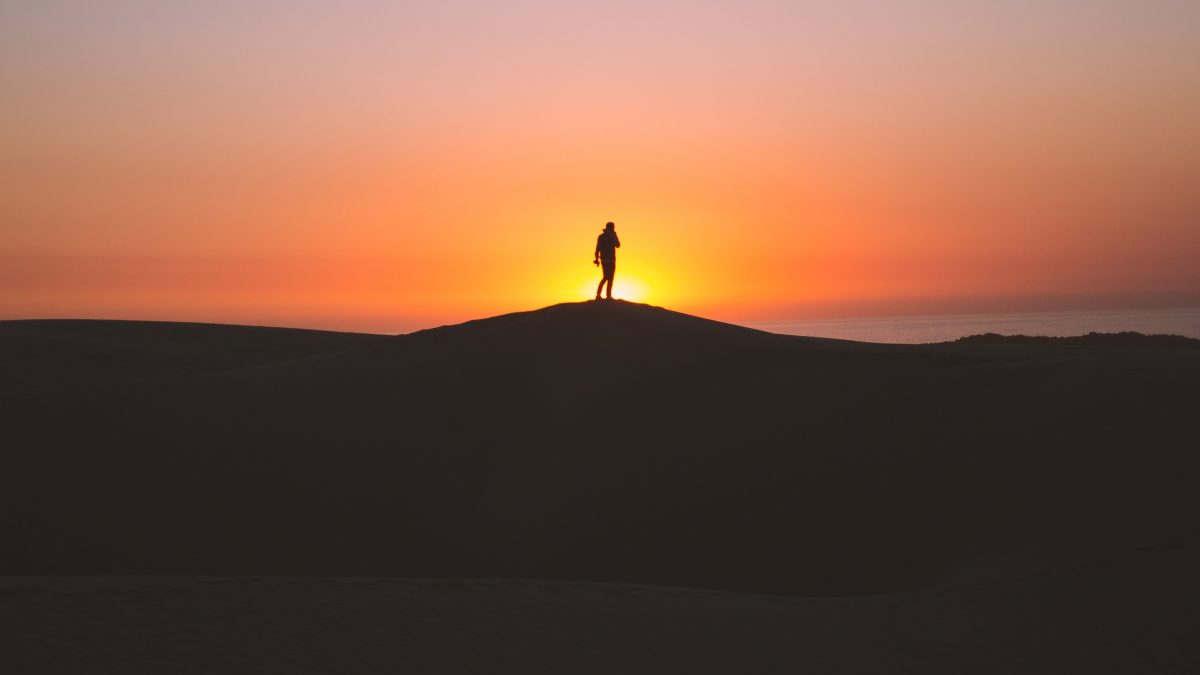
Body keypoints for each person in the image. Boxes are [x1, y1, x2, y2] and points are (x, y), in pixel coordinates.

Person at [593, 222, 620, 300]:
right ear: (608, 228)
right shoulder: (602, 237)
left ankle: (608, 296)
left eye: (613, 227)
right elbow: (597, 248)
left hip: (611, 260)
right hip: (605, 260)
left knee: (610, 278)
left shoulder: (612, 236)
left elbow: (618, 245)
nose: (613, 228)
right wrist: (597, 259)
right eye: (612, 227)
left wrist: (614, 236)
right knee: (606, 277)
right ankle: (598, 295)